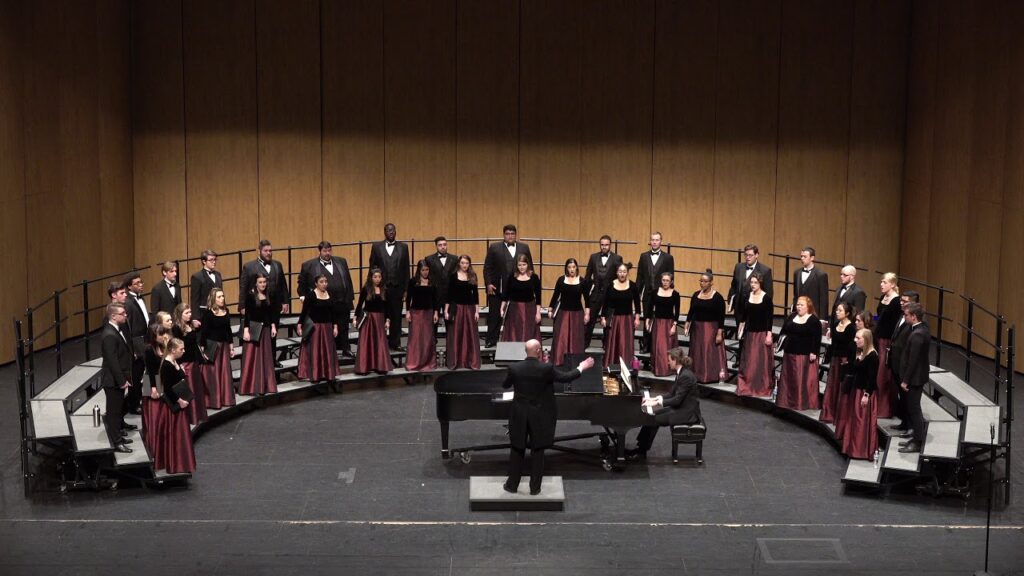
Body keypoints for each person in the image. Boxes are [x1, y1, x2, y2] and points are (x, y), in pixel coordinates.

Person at [502, 340, 595, 495]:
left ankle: (512, 486)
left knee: (517, 448)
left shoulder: (514, 368)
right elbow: (565, 377)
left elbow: (505, 385)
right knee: (538, 450)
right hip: (539, 414)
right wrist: (582, 367)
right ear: (538, 351)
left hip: (519, 414)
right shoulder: (546, 369)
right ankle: (535, 488)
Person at [627, 347, 701, 459]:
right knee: (651, 416)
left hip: (687, 413)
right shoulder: (682, 372)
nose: (668, 362)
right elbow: (672, 394)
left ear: (675, 360)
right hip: (681, 408)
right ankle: (640, 449)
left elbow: (676, 400)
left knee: (652, 420)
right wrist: (654, 399)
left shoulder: (685, 376)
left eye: (669, 360)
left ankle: (641, 452)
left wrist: (657, 403)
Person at [298, 241, 354, 357]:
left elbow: (348, 280)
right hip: (324, 303)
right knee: (328, 328)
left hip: (342, 301)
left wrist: (350, 298)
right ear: (320, 251)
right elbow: (301, 283)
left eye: (329, 250)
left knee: (344, 327)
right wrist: (303, 296)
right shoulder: (309, 265)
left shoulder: (341, 261)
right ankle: (328, 352)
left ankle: (345, 348)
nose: (327, 253)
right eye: (325, 251)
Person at [484, 224, 532, 348]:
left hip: (517, 289)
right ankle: (491, 340)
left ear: (516, 235)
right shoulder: (494, 247)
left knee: (516, 317)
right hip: (497, 288)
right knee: (494, 315)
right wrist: (488, 283)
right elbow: (487, 267)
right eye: (507, 233)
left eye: (512, 233)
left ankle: (517, 341)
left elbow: (530, 267)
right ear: (503, 235)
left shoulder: (524, 247)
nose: (510, 236)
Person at [837, 328, 879, 459]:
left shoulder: (873, 356)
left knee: (862, 421)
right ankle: (852, 447)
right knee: (854, 419)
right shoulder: (861, 352)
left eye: (858, 338)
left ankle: (861, 450)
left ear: (866, 340)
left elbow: (872, 379)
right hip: (856, 390)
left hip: (865, 393)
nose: (855, 340)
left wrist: (866, 395)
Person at [157, 338, 197, 474]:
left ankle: (182, 462)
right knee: (175, 436)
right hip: (173, 406)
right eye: (181, 349)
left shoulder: (174, 361)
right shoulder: (167, 366)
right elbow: (167, 388)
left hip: (181, 403)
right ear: (173, 350)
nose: (184, 351)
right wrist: (179, 400)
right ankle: (175, 463)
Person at [369, 223, 410, 351]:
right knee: (380, 315)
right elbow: (372, 267)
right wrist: (372, 286)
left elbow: (406, 269)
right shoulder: (376, 247)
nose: (391, 232)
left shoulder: (404, 247)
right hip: (381, 288)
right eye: (388, 230)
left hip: (397, 288)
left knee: (396, 316)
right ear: (384, 232)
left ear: (396, 232)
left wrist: (406, 289)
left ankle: (395, 343)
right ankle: (380, 343)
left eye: (393, 230)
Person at [776, 296, 822, 410]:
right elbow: (783, 331)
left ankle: (799, 403)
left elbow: (816, 338)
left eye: (802, 305)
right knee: (788, 380)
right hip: (789, 353)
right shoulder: (792, 316)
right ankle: (786, 402)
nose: (799, 307)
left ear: (808, 307)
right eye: (798, 305)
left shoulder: (813, 320)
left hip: (803, 356)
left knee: (799, 381)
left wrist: (814, 352)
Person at [100, 303, 134, 453]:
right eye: (122, 313)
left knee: (118, 410)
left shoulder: (115, 330)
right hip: (113, 381)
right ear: (113, 316)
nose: (125, 315)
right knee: (113, 413)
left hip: (117, 379)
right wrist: (121, 381)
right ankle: (116, 442)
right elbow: (113, 362)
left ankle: (118, 437)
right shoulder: (109, 334)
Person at [683, 270, 727, 383]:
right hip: (697, 328)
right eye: (701, 281)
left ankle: (708, 375)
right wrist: (687, 322)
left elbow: (721, 317)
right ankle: (696, 374)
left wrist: (719, 333)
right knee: (696, 351)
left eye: (705, 281)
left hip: (710, 329)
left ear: (711, 282)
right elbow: (691, 310)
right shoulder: (696, 295)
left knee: (708, 352)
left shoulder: (718, 297)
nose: (702, 283)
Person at [897, 302, 930, 453]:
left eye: (906, 315)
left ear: (914, 317)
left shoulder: (917, 334)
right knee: (913, 408)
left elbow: (913, 361)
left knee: (914, 409)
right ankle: (917, 437)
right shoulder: (921, 329)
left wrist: (905, 380)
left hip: (915, 378)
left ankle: (918, 441)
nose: (905, 317)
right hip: (917, 376)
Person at [887, 290, 920, 437]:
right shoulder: (902, 316)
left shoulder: (916, 323)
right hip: (896, 362)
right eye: (901, 300)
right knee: (902, 396)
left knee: (909, 400)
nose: (901, 302)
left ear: (914, 304)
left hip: (904, 366)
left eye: (905, 301)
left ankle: (912, 428)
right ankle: (905, 423)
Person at [735, 273, 774, 397]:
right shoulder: (748, 296)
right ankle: (748, 386)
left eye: (755, 282)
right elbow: (745, 315)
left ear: (760, 283)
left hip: (761, 334)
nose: (753, 285)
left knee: (759, 362)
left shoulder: (766, 298)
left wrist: (769, 334)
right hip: (750, 334)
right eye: (751, 282)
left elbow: (769, 318)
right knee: (749, 361)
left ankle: (759, 386)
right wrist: (741, 327)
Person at [298, 274, 341, 383]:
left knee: (327, 351)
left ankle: (327, 373)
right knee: (316, 352)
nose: (324, 284)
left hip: (327, 327)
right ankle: (316, 374)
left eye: (326, 281)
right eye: (321, 282)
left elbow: (333, 313)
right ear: (316, 283)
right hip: (316, 328)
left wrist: (335, 326)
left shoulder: (329, 294)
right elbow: (304, 311)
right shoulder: (311, 295)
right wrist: (300, 324)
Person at [239, 276, 278, 395]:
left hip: (265, 329)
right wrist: (246, 330)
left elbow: (270, 312)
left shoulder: (268, 294)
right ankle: (252, 386)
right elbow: (248, 315)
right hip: (254, 329)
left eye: (264, 282)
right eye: (260, 282)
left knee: (265, 358)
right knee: (253, 359)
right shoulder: (250, 296)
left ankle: (265, 385)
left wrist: (273, 326)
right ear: (255, 284)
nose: (263, 284)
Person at [636, 232, 675, 352]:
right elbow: (640, 276)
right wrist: (636, 294)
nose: (654, 242)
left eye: (657, 240)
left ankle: (658, 347)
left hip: (662, 295)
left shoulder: (668, 258)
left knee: (659, 321)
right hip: (647, 294)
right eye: (652, 240)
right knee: (647, 318)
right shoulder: (643, 256)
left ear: (661, 242)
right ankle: (646, 346)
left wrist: (670, 294)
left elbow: (671, 277)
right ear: (650, 241)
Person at [583, 235, 622, 348]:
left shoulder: (617, 258)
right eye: (602, 245)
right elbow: (587, 276)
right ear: (600, 245)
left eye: (606, 245)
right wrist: (588, 290)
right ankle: (585, 344)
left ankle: (606, 345)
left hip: (610, 295)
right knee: (590, 320)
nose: (604, 247)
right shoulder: (593, 257)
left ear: (610, 245)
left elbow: (619, 277)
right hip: (595, 294)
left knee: (608, 321)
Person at [599, 263, 641, 368]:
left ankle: (626, 365)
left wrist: (637, 318)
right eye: (620, 271)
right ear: (617, 272)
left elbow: (637, 303)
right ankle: (612, 363)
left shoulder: (632, 285)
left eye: (624, 272)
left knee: (626, 343)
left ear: (627, 273)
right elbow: (606, 303)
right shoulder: (611, 285)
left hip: (627, 319)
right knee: (613, 343)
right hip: (614, 319)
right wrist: (603, 317)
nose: (622, 274)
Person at [549, 258, 590, 366]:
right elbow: (555, 296)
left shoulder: (582, 281)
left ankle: (575, 362)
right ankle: (559, 361)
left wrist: (587, 314)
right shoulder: (561, 280)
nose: (571, 269)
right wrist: (550, 309)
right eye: (569, 267)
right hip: (563, 313)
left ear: (576, 268)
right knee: (560, 337)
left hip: (577, 314)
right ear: (566, 268)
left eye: (573, 267)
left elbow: (587, 300)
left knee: (576, 339)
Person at [820, 302, 855, 426]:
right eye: (837, 310)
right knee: (832, 385)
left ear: (847, 313)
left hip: (844, 361)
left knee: (840, 387)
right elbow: (833, 344)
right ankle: (829, 413)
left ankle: (839, 416)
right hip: (835, 359)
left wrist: (847, 362)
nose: (837, 312)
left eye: (840, 310)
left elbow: (851, 347)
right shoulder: (835, 325)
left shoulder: (851, 328)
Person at [354, 268, 394, 375]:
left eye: (379, 277)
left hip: (379, 319)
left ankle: (380, 366)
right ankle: (365, 367)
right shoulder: (366, 289)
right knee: (366, 343)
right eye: (375, 277)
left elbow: (387, 307)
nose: (377, 279)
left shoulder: (384, 290)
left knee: (379, 342)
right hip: (368, 319)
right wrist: (355, 318)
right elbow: (359, 305)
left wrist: (388, 320)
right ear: (371, 278)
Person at [172, 303, 207, 425]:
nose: (190, 315)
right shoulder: (176, 328)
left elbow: (194, 344)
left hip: (194, 361)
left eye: (190, 312)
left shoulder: (190, 325)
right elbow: (176, 348)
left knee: (197, 389)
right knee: (190, 389)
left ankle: (198, 414)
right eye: (186, 313)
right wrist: (179, 363)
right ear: (180, 314)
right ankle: (191, 417)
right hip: (185, 363)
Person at [142, 325, 172, 467]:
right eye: (161, 334)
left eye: (164, 333)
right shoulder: (149, 349)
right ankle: (153, 447)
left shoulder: (165, 346)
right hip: (152, 382)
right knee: (154, 414)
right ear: (154, 336)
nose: (164, 336)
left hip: (162, 380)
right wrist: (154, 387)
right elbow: (151, 369)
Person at [200, 289, 234, 409]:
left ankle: (225, 398)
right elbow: (204, 332)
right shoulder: (208, 313)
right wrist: (203, 349)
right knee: (213, 375)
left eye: (223, 296)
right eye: (219, 297)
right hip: (213, 347)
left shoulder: (226, 311)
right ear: (213, 299)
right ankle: (213, 401)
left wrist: (231, 346)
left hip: (224, 347)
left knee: (224, 373)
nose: (222, 299)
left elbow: (228, 330)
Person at [445, 255, 481, 370]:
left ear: (469, 264)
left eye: (466, 263)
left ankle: (470, 361)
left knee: (470, 335)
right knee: (456, 335)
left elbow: (475, 295)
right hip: (457, 309)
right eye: (462, 263)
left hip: (470, 308)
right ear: (459, 264)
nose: (464, 265)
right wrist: (446, 310)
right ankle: (456, 361)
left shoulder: (472, 276)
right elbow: (449, 294)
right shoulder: (453, 276)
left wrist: (477, 311)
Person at [874, 272, 902, 418]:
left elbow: (896, 323)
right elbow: (879, 316)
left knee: (883, 374)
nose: (881, 284)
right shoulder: (882, 297)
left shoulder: (897, 301)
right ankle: (876, 406)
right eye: (881, 282)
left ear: (892, 284)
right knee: (877, 371)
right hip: (879, 338)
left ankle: (885, 409)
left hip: (888, 341)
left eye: (884, 282)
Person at [123, 272, 150, 415]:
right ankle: (134, 405)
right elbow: (128, 328)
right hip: (136, 342)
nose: (141, 285)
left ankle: (146, 399)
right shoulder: (128, 302)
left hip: (145, 339)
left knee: (148, 371)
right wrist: (132, 349)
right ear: (129, 286)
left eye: (141, 282)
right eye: (137, 283)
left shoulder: (141, 298)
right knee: (136, 373)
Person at [239, 239, 290, 315]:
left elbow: (283, 285)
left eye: (270, 251)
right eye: (265, 251)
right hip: (257, 305)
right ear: (259, 251)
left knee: (275, 326)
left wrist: (285, 302)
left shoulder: (277, 264)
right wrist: (242, 306)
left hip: (275, 305)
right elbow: (243, 288)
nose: (268, 253)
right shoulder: (249, 267)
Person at [405, 260, 439, 371]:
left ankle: (428, 362)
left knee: (428, 339)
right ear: (419, 270)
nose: (425, 272)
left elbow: (435, 299)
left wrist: (436, 312)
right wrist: (407, 311)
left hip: (428, 313)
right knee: (415, 339)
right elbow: (408, 298)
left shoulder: (432, 281)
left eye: (427, 270)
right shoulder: (413, 281)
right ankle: (414, 362)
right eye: (423, 270)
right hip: (416, 313)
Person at [500, 254, 542, 343]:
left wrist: (538, 313)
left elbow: (538, 297)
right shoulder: (512, 276)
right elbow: (506, 294)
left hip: (529, 309)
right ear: (516, 265)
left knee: (529, 332)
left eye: (524, 264)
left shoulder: (534, 277)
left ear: (528, 264)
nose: (522, 267)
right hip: (514, 310)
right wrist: (501, 308)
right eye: (519, 265)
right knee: (514, 333)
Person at [645, 272, 680, 376]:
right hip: (658, 323)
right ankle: (659, 369)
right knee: (659, 347)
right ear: (661, 281)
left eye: (667, 281)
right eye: (664, 280)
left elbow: (677, 312)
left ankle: (669, 369)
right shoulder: (655, 292)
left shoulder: (675, 294)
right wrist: (647, 320)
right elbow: (650, 308)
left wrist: (674, 325)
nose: (665, 282)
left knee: (668, 347)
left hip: (669, 323)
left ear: (671, 282)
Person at [727, 243, 774, 320]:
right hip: (739, 310)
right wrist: (731, 302)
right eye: (746, 255)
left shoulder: (765, 271)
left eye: (750, 255)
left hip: (755, 310)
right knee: (739, 331)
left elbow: (768, 293)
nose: (747, 257)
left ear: (757, 255)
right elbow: (733, 286)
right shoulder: (738, 267)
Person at [425, 236, 458, 343]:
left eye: (444, 244)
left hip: (450, 295)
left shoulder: (454, 258)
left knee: (450, 323)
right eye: (440, 245)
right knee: (432, 323)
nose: (443, 247)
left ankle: (451, 348)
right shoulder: (429, 259)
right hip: (434, 295)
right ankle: (432, 347)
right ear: (436, 246)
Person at [792, 247, 829, 325]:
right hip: (799, 312)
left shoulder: (821, 275)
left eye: (805, 256)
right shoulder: (797, 273)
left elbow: (823, 298)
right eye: (801, 256)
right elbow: (796, 294)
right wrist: (794, 308)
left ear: (812, 258)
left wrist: (822, 318)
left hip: (813, 314)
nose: (802, 258)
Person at [829, 265, 866, 332]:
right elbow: (834, 308)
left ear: (852, 276)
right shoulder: (839, 288)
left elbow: (858, 314)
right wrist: (831, 327)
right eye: (841, 274)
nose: (841, 276)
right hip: (835, 327)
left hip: (848, 329)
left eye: (844, 275)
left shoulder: (859, 292)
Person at [189, 249, 222, 315]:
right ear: (204, 261)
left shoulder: (218, 274)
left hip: (218, 311)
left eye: (215, 259)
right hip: (204, 313)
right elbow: (195, 299)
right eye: (211, 260)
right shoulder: (197, 277)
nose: (214, 262)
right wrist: (195, 318)